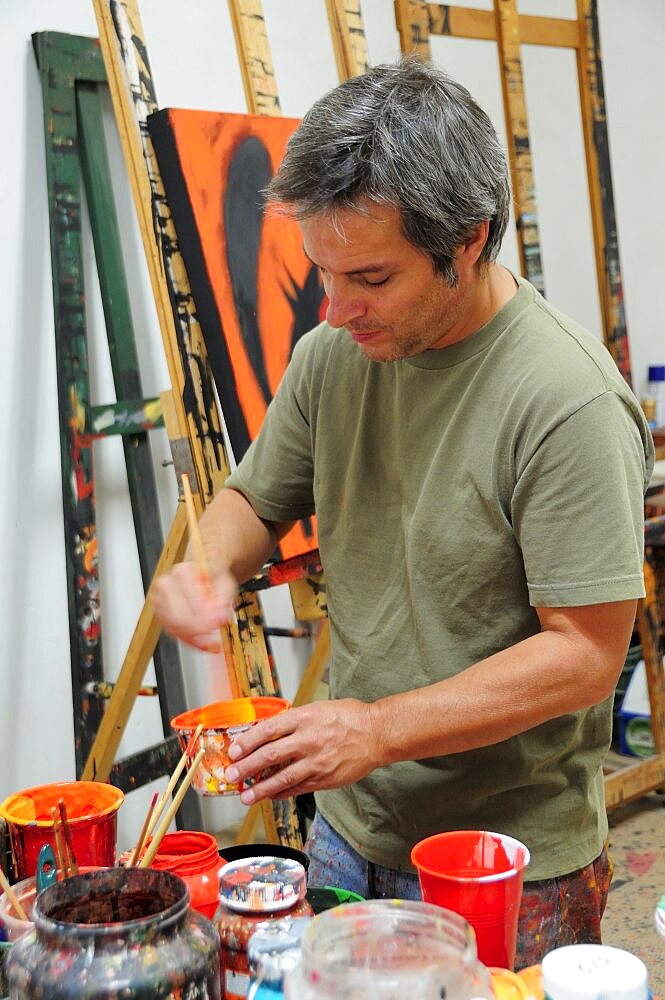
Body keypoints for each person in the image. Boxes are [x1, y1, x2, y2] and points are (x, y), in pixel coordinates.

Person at [152, 58, 654, 966]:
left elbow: (583, 654)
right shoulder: (331, 358)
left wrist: (376, 729)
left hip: (506, 857)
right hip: (351, 821)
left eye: (372, 279)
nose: (336, 310)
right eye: (322, 274)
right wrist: (205, 568)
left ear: (467, 242)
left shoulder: (566, 401)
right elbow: (251, 499)